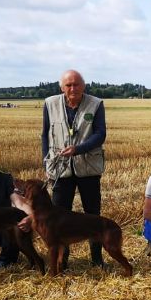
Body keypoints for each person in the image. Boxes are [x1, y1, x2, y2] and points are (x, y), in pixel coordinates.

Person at [42, 69, 106, 268]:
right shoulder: (50, 103)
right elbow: (45, 134)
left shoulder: (95, 104)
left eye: (76, 84)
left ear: (83, 86)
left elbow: (100, 134)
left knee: (93, 214)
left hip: (88, 167)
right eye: (68, 85)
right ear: (62, 87)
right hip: (60, 167)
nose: (73, 88)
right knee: (59, 216)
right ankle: (62, 260)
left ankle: (96, 259)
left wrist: (79, 149)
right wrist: (46, 160)